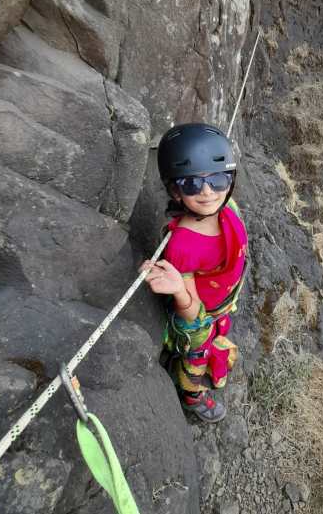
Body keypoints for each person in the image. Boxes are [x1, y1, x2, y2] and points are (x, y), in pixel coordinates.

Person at [140, 123, 248, 423]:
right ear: (174, 190)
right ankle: (192, 396)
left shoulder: (228, 208)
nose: (207, 193)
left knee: (218, 327)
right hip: (199, 312)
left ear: (231, 179)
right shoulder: (182, 246)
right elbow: (192, 317)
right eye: (191, 184)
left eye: (218, 179)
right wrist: (178, 290)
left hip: (220, 300)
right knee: (197, 352)